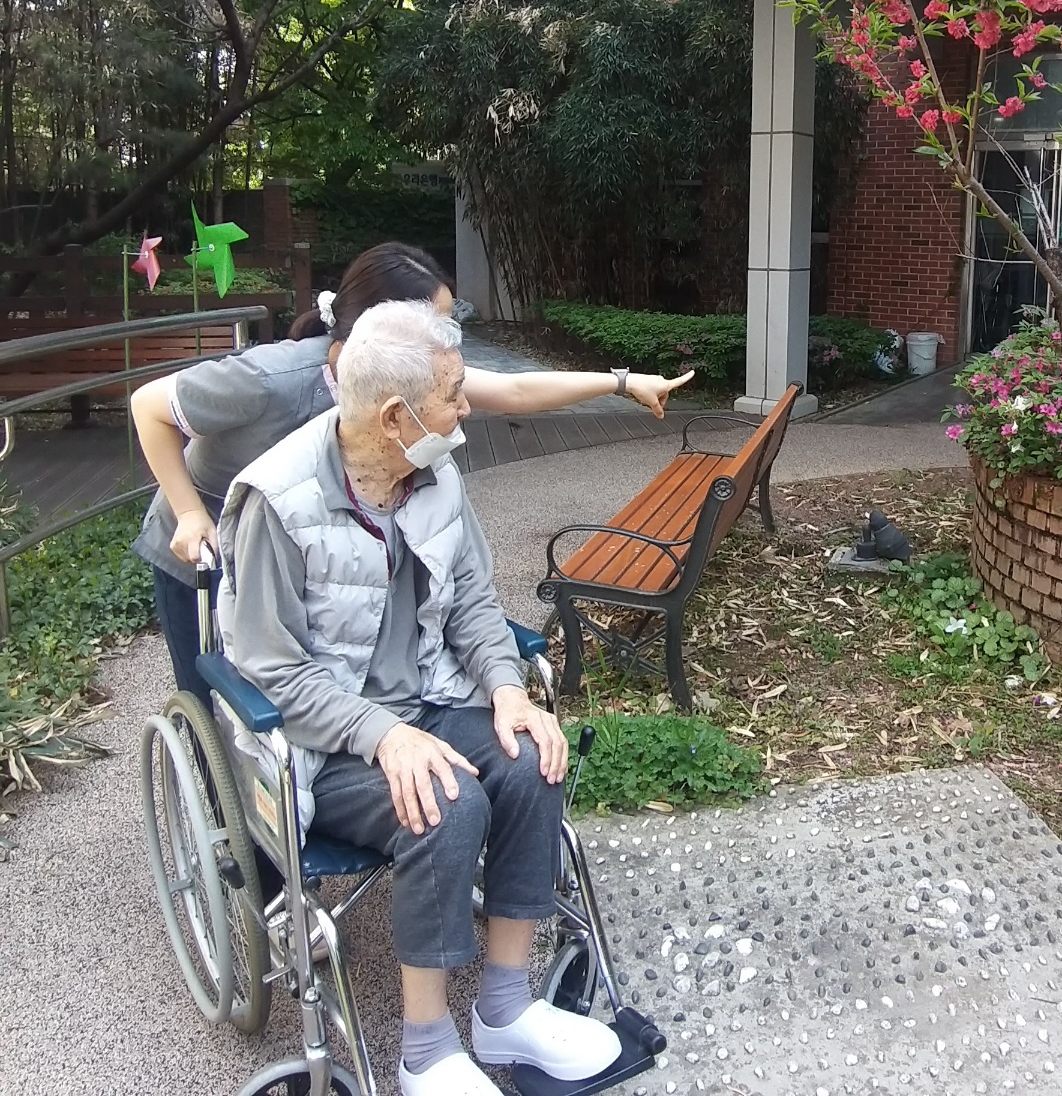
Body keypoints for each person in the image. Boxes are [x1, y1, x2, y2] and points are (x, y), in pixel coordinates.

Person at [217, 300, 621, 1096]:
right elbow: (272, 670)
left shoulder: (434, 473)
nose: (466, 408)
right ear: (395, 416)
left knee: (531, 758)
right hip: (324, 742)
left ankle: (504, 1007)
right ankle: (426, 1051)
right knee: (443, 802)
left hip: (431, 698)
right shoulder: (280, 501)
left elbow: (471, 601)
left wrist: (507, 691)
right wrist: (382, 734)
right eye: (453, 393)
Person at [131, 241, 692, 702]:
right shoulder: (271, 380)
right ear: (386, 327)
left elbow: (516, 390)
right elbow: (149, 406)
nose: (448, 341)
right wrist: (188, 512)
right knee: (221, 700)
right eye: (435, 323)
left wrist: (623, 382)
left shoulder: (412, 378)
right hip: (205, 546)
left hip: (300, 544)